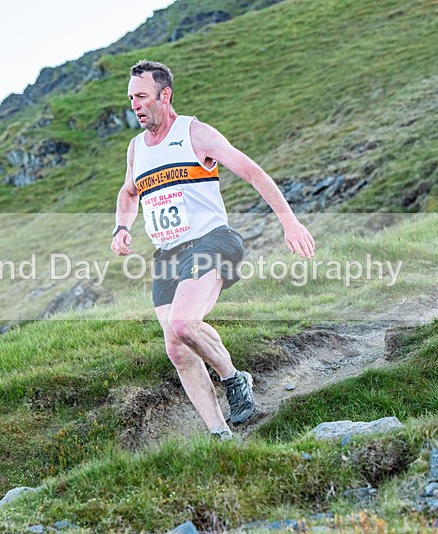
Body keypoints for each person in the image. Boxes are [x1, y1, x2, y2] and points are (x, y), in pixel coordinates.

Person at [111, 60, 315, 441]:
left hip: (211, 242)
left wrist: (289, 221)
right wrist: (122, 226)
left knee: (184, 323)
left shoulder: (195, 133)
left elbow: (252, 171)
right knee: (177, 347)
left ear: (164, 95)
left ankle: (234, 379)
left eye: (141, 96)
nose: (134, 105)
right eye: (130, 99)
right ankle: (219, 434)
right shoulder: (136, 149)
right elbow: (128, 191)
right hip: (167, 256)